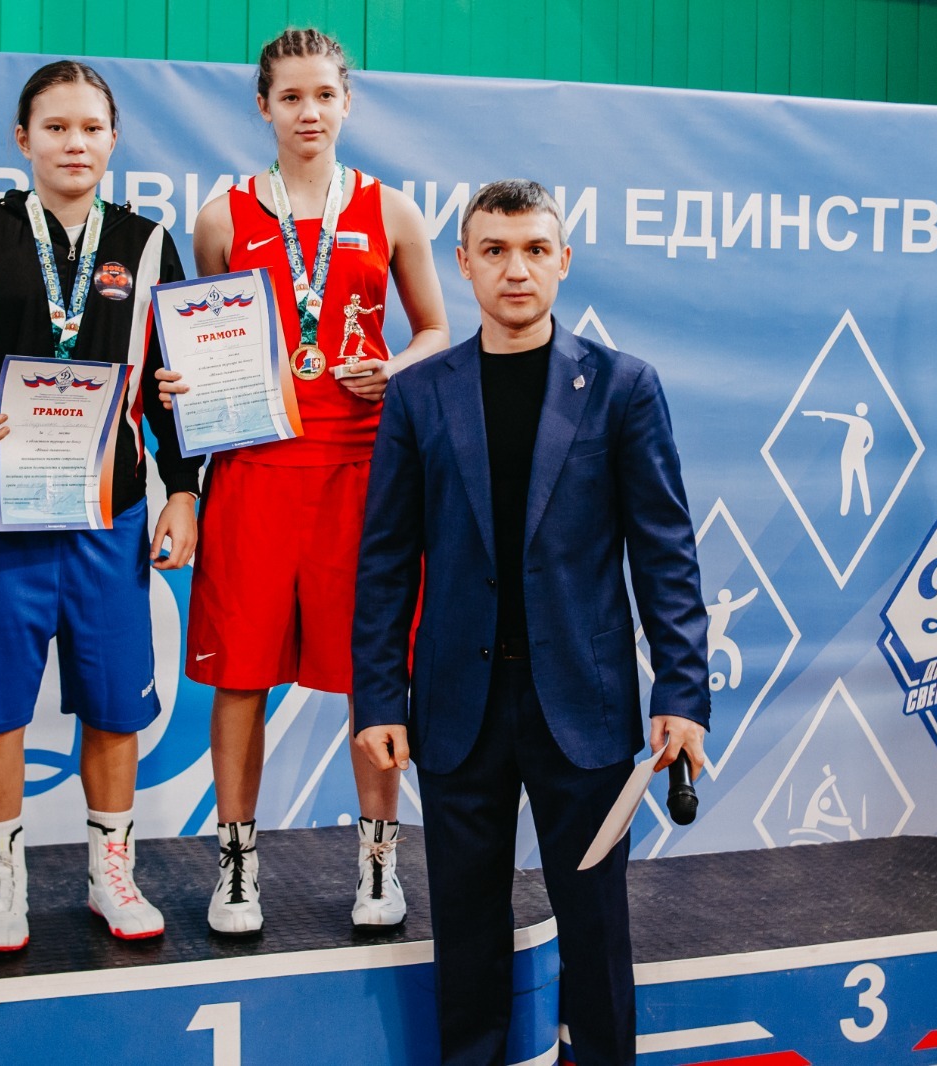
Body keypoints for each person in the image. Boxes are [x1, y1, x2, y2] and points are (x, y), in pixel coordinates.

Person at [352, 180, 710, 1066]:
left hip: (583, 706)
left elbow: (665, 550)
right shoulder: (419, 394)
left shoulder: (623, 387)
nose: (517, 270)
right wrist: (379, 699)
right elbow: (386, 560)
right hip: (456, 706)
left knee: (596, 926)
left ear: (564, 261)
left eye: (535, 250)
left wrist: (682, 691)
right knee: (466, 926)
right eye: (496, 251)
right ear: (464, 263)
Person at [0, 61, 201, 950]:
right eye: (57, 127)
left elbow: (174, 385)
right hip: (1, 521)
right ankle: (4, 883)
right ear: (22, 138)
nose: (75, 143)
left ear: (114, 140)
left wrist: (185, 489)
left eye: (91, 128)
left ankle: (113, 873)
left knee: (115, 702)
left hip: (111, 519)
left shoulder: (148, 243)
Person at [159, 27, 449, 935]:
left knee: (374, 672)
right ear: (263, 107)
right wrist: (187, 381)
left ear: (347, 102)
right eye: (291, 97)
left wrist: (393, 371)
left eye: (324, 94)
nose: (309, 112)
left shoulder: (392, 210)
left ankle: (379, 862)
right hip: (253, 470)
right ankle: (236, 867)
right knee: (240, 675)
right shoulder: (222, 216)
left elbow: (436, 333)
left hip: (361, 470)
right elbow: (204, 337)